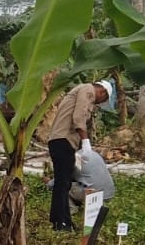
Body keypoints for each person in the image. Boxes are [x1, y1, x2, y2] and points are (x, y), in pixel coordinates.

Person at [46, 79, 113, 231]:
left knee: (64, 184)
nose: (97, 103)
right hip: (63, 140)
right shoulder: (88, 90)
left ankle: (64, 221)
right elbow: (79, 117)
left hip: (61, 140)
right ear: (102, 92)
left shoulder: (80, 90)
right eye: (102, 100)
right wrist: (85, 140)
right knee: (62, 184)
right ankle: (60, 223)